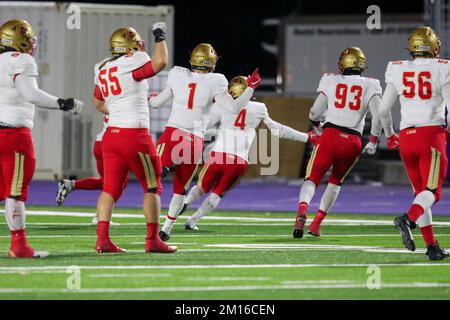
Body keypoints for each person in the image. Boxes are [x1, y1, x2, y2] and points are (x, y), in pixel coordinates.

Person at [148, 43, 261, 241]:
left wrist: (150, 99)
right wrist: (250, 89)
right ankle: (166, 228)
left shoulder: (177, 74)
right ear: (213, 62)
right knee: (181, 188)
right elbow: (234, 108)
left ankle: (163, 168)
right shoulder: (217, 80)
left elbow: (156, 104)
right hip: (195, 139)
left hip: (174, 133)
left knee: (152, 180)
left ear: (193, 59)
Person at [181, 76, 318, 230]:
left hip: (218, 154)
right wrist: (306, 137)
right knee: (219, 192)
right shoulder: (259, 108)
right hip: (239, 160)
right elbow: (278, 130)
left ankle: (185, 202)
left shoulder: (222, 105)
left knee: (201, 186)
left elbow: (204, 125)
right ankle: (193, 220)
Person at [0, 19, 83, 258]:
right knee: (16, 192)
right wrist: (62, 103)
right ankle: (19, 246)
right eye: (28, 39)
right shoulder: (21, 60)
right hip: (13, 134)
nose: (32, 43)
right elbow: (30, 94)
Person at [93, 23, 176, 253]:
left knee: (109, 189)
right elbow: (160, 62)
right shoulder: (134, 60)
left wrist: (120, 111)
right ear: (130, 47)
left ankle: (102, 240)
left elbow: (98, 102)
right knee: (152, 187)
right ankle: (152, 240)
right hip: (134, 135)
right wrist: (160, 34)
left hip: (112, 135)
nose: (142, 47)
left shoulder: (103, 69)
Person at [293, 47, 383, 239]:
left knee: (312, 178)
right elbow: (378, 116)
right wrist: (374, 138)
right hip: (352, 141)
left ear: (343, 64)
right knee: (335, 182)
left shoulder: (331, 80)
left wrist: (317, 127)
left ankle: (302, 211)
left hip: (330, 134)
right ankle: (316, 224)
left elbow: (314, 113)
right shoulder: (371, 84)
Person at [378, 26, 450, 261]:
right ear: (434, 47)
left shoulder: (397, 69)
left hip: (406, 138)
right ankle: (407, 219)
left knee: (421, 192)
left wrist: (389, 134)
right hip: (430, 136)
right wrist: (447, 131)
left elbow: (383, 109)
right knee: (433, 192)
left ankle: (432, 246)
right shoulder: (443, 68)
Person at [56, 115, 124, 226]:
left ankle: (71, 185)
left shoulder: (111, 100)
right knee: (115, 184)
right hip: (113, 142)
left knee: (107, 182)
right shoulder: (124, 102)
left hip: (101, 142)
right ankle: (100, 217)